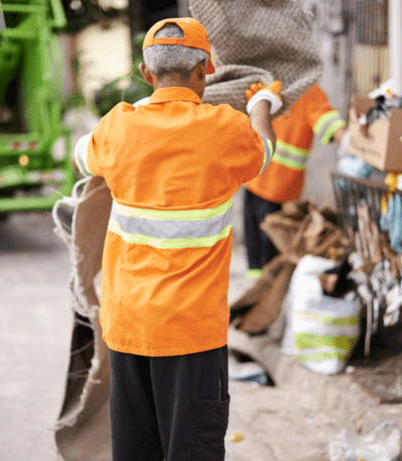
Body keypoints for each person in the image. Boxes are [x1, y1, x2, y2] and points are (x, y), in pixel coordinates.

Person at [71, 17, 281, 461]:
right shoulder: (226, 129)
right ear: (205, 70)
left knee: (135, 450)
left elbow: (80, 157)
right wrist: (263, 101)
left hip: (127, 328)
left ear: (147, 74)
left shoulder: (118, 127)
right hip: (191, 334)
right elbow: (265, 147)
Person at [242, 83, 347, 278]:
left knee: (266, 246)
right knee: (258, 246)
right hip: (258, 177)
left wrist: (349, 141)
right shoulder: (273, 81)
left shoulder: (307, 90)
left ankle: (262, 289)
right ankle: (256, 290)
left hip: (276, 184)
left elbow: (326, 120)